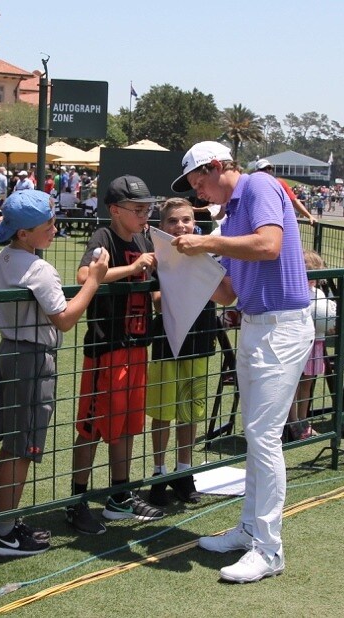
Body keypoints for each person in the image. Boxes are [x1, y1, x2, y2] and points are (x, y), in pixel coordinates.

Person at [172, 141, 313, 583]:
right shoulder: (233, 213)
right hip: (256, 324)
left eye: (199, 181)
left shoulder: (259, 185)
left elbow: (270, 245)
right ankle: (250, 530)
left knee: (263, 436)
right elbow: (228, 292)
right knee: (257, 435)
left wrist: (207, 242)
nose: (198, 192)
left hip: (281, 326)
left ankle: (269, 549)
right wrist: (180, 265)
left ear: (216, 167)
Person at [0, 190, 108, 557]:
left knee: (12, 447)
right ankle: (2, 533)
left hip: (10, 352)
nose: (55, 228)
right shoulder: (38, 268)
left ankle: (4, 522)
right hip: (32, 358)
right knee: (22, 448)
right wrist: (93, 281)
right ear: (23, 233)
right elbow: (66, 319)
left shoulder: (6, 257)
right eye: (47, 224)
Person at [65, 175, 164, 536]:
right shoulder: (103, 238)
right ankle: (77, 501)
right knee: (91, 428)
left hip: (137, 346)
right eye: (137, 209)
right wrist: (133, 269)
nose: (144, 215)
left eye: (147, 208)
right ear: (115, 210)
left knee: (127, 426)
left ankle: (120, 496)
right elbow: (83, 276)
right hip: (105, 349)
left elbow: (152, 291)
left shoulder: (144, 237)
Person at [145, 198, 215, 507]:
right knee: (162, 410)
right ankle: (159, 472)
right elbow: (157, 300)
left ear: (194, 222)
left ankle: (184, 473)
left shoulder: (210, 249)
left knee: (191, 407)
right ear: (162, 227)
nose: (181, 226)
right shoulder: (158, 257)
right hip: (167, 339)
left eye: (186, 220)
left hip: (199, 337)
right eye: (173, 221)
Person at [287, 250, 337, 441]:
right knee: (292, 383)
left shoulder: (319, 294)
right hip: (297, 343)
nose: (313, 277)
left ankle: (303, 419)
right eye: (308, 271)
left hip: (315, 343)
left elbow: (327, 319)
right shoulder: (293, 291)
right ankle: (292, 422)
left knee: (307, 384)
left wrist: (329, 325)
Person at [254, 159, 315, 225]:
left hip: (278, 222)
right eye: (263, 169)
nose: (268, 170)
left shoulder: (280, 183)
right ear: (256, 171)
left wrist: (309, 216)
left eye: (269, 168)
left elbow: (294, 201)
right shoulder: (251, 185)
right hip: (257, 222)